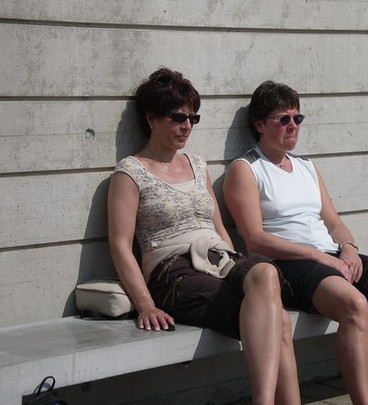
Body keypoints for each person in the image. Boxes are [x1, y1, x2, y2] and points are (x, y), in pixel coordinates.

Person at [223, 80, 368, 405]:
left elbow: (333, 222)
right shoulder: (246, 169)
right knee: (354, 305)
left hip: (332, 255)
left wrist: (348, 248)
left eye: (297, 118)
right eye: (283, 119)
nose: (293, 126)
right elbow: (255, 238)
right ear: (260, 125)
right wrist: (318, 257)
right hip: (291, 265)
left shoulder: (306, 166)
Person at [107, 69, 301, 405]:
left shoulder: (197, 164)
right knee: (279, 320)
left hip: (218, 259)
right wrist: (144, 304)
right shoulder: (131, 172)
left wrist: (236, 266)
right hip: (173, 271)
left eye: (192, 118)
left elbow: (218, 227)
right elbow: (120, 245)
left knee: (265, 273)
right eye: (178, 117)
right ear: (151, 118)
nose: (187, 126)